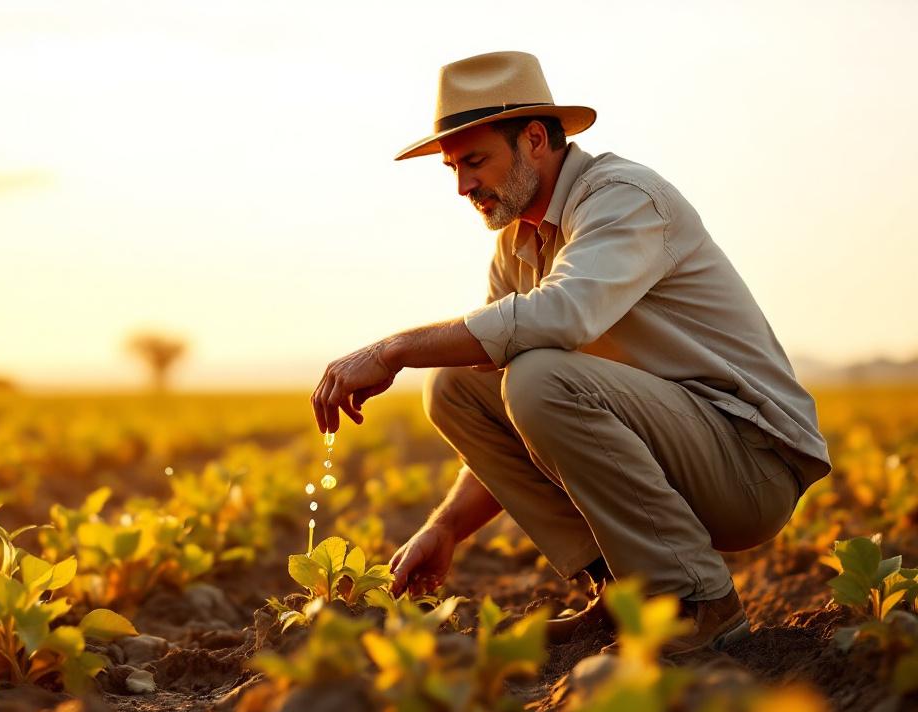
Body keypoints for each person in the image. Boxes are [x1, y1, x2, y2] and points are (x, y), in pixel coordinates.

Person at [310, 51, 832, 656]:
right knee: (456, 385)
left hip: (748, 463)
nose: (462, 186)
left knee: (537, 376)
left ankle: (695, 601)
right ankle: (625, 590)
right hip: (679, 450)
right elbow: (515, 408)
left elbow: (562, 315)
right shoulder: (517, 245)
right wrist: (446, 526)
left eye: (474, 161)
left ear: (535, 140)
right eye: (452, 168)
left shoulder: (623, 197)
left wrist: (395, 349)